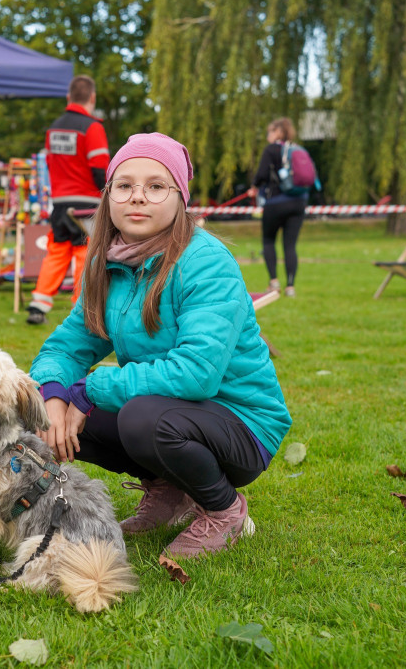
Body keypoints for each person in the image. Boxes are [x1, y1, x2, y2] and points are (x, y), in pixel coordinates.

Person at [29, 133, 291, 565]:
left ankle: (224, 509)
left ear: (180, 198)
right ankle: (169, 490)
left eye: (155, 186)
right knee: (64, 413)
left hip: (242, 424)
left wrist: (93, 388)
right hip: (169, 411)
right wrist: (53, 393)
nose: (138, 198)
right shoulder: (106, 262)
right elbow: (67, 345)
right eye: (125, 185)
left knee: (139, 417)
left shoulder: (205, 261)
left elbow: (197, 373)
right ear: (108, 194)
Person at [26, 75, 110, 325]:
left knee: (57, 252)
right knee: (86, 253)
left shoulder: (54, 129)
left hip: (60, 202)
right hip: (86, 202)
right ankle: (81, 307)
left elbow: (50, 164)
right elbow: (99, 169)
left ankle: (38, 304)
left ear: (68, 97)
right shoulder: (93, 127)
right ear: (92, 98)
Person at [248, 117, 307, 297]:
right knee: (290, 245)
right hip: (298, 202)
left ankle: (274, 282)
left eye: (270, 131)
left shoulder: (271, 150)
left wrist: (254, 187)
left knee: (268, 241)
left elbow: (263, 173)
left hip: (276, 202)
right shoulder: (297, 149)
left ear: (278, 132)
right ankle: (290, 286)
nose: (268, 135)